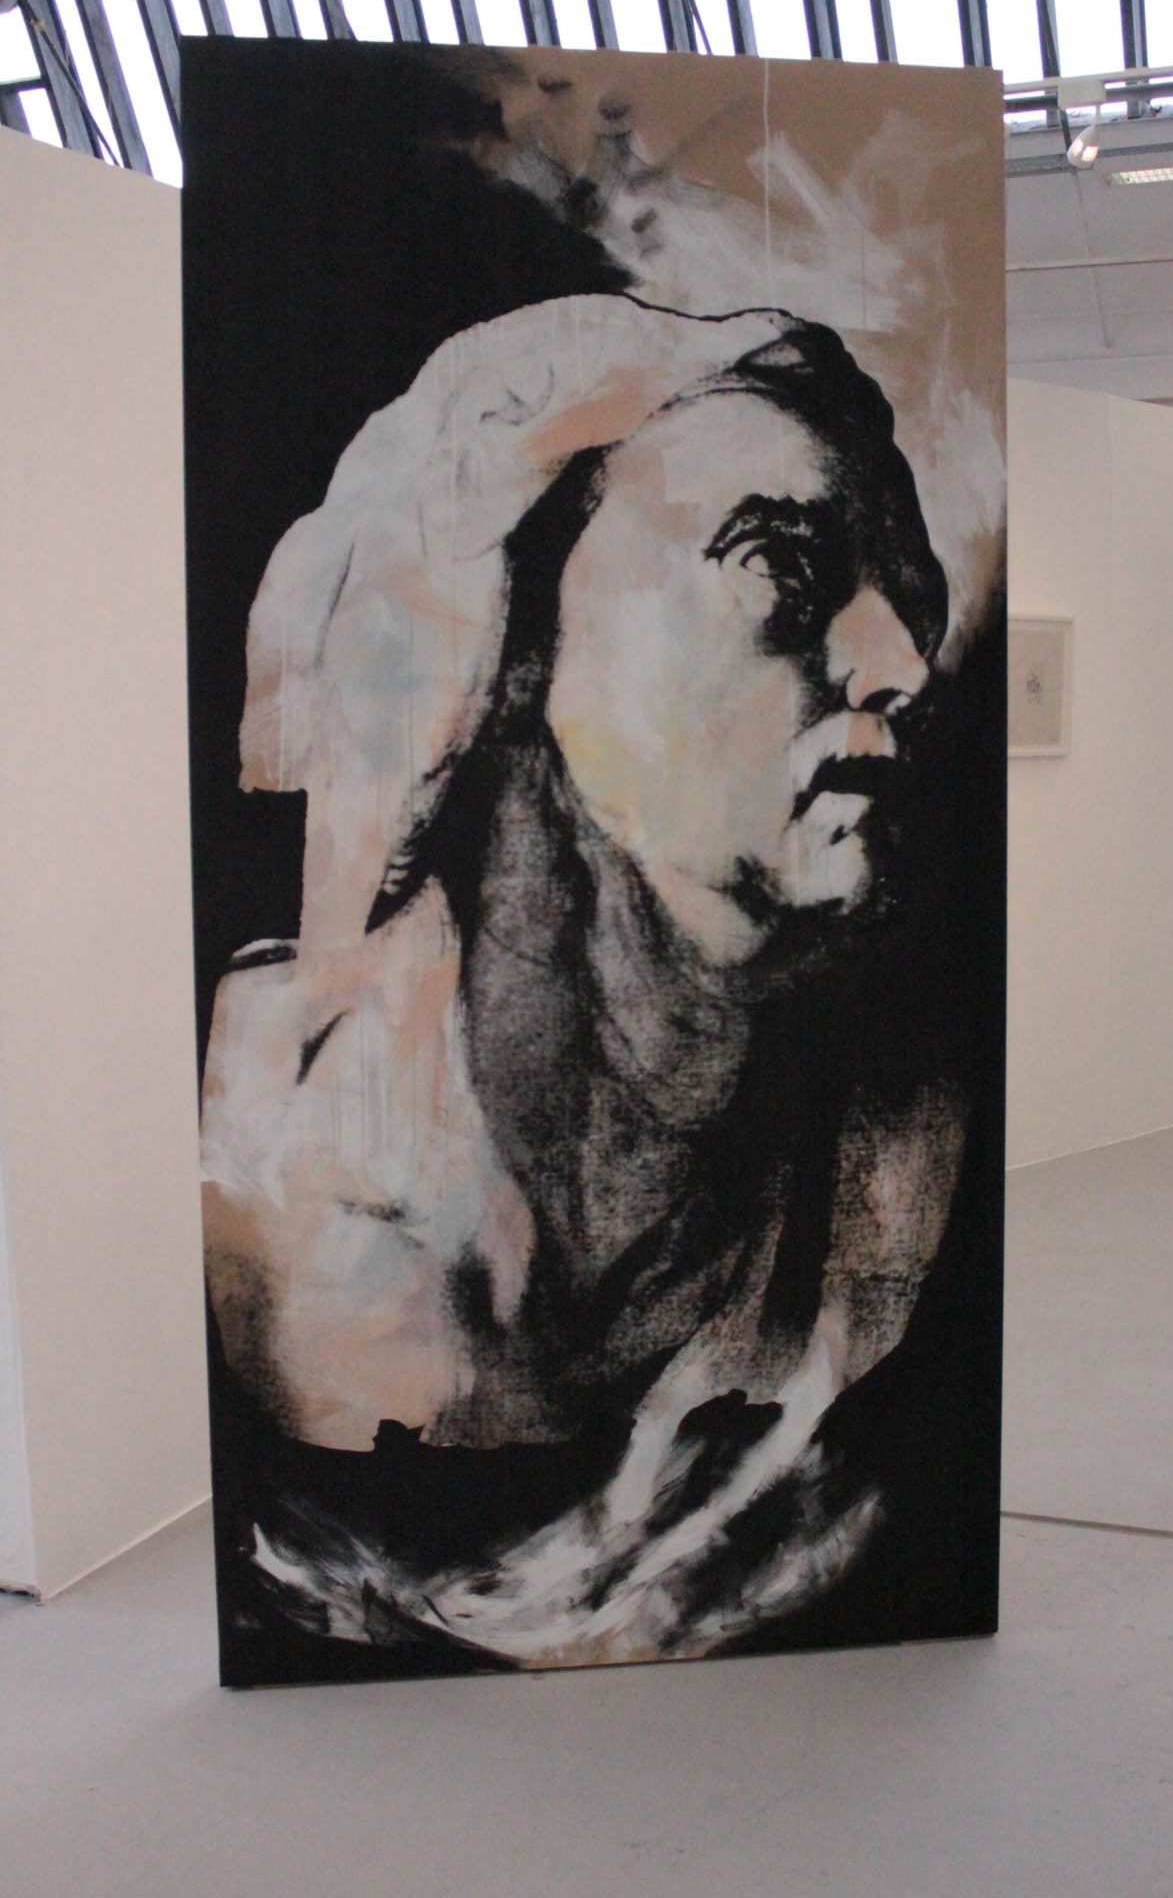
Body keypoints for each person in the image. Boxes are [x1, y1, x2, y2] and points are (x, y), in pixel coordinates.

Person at [202, 293, 972, 1667]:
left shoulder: (890, 1147)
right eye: (777, 565)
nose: (896, 663)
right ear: (513, 653)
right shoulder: (286, 1137)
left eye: (901, 593)